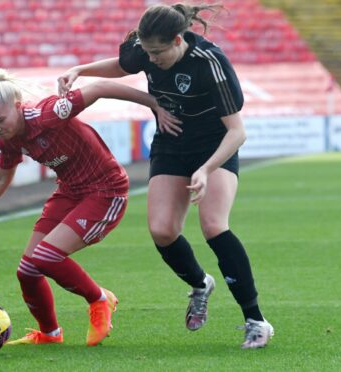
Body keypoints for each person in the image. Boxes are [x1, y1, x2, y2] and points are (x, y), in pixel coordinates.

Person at [58, 3, 273, 349]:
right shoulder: (145, 48)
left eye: (158, 53)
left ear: (177, 40)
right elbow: (123, 65)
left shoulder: (210, 63)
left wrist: (205, 169)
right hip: (172, 143)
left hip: (215, 145)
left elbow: (237, 132)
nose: (151, 60)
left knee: (213, 225)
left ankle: (255, 320)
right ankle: (200, 284)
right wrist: (79, 70)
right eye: (147, 52)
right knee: (161, 229)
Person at [0, 68, 177, 347]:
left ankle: (100, 299)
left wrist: (155, 104)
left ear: (17, 107)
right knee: (27, 271)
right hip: (69, 191)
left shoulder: (49, 114)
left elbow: (98, 88)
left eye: (0, 120)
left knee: (46, 256)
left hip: (105, 190)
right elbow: (3, 175)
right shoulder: (9, 138)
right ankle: (50, 334)